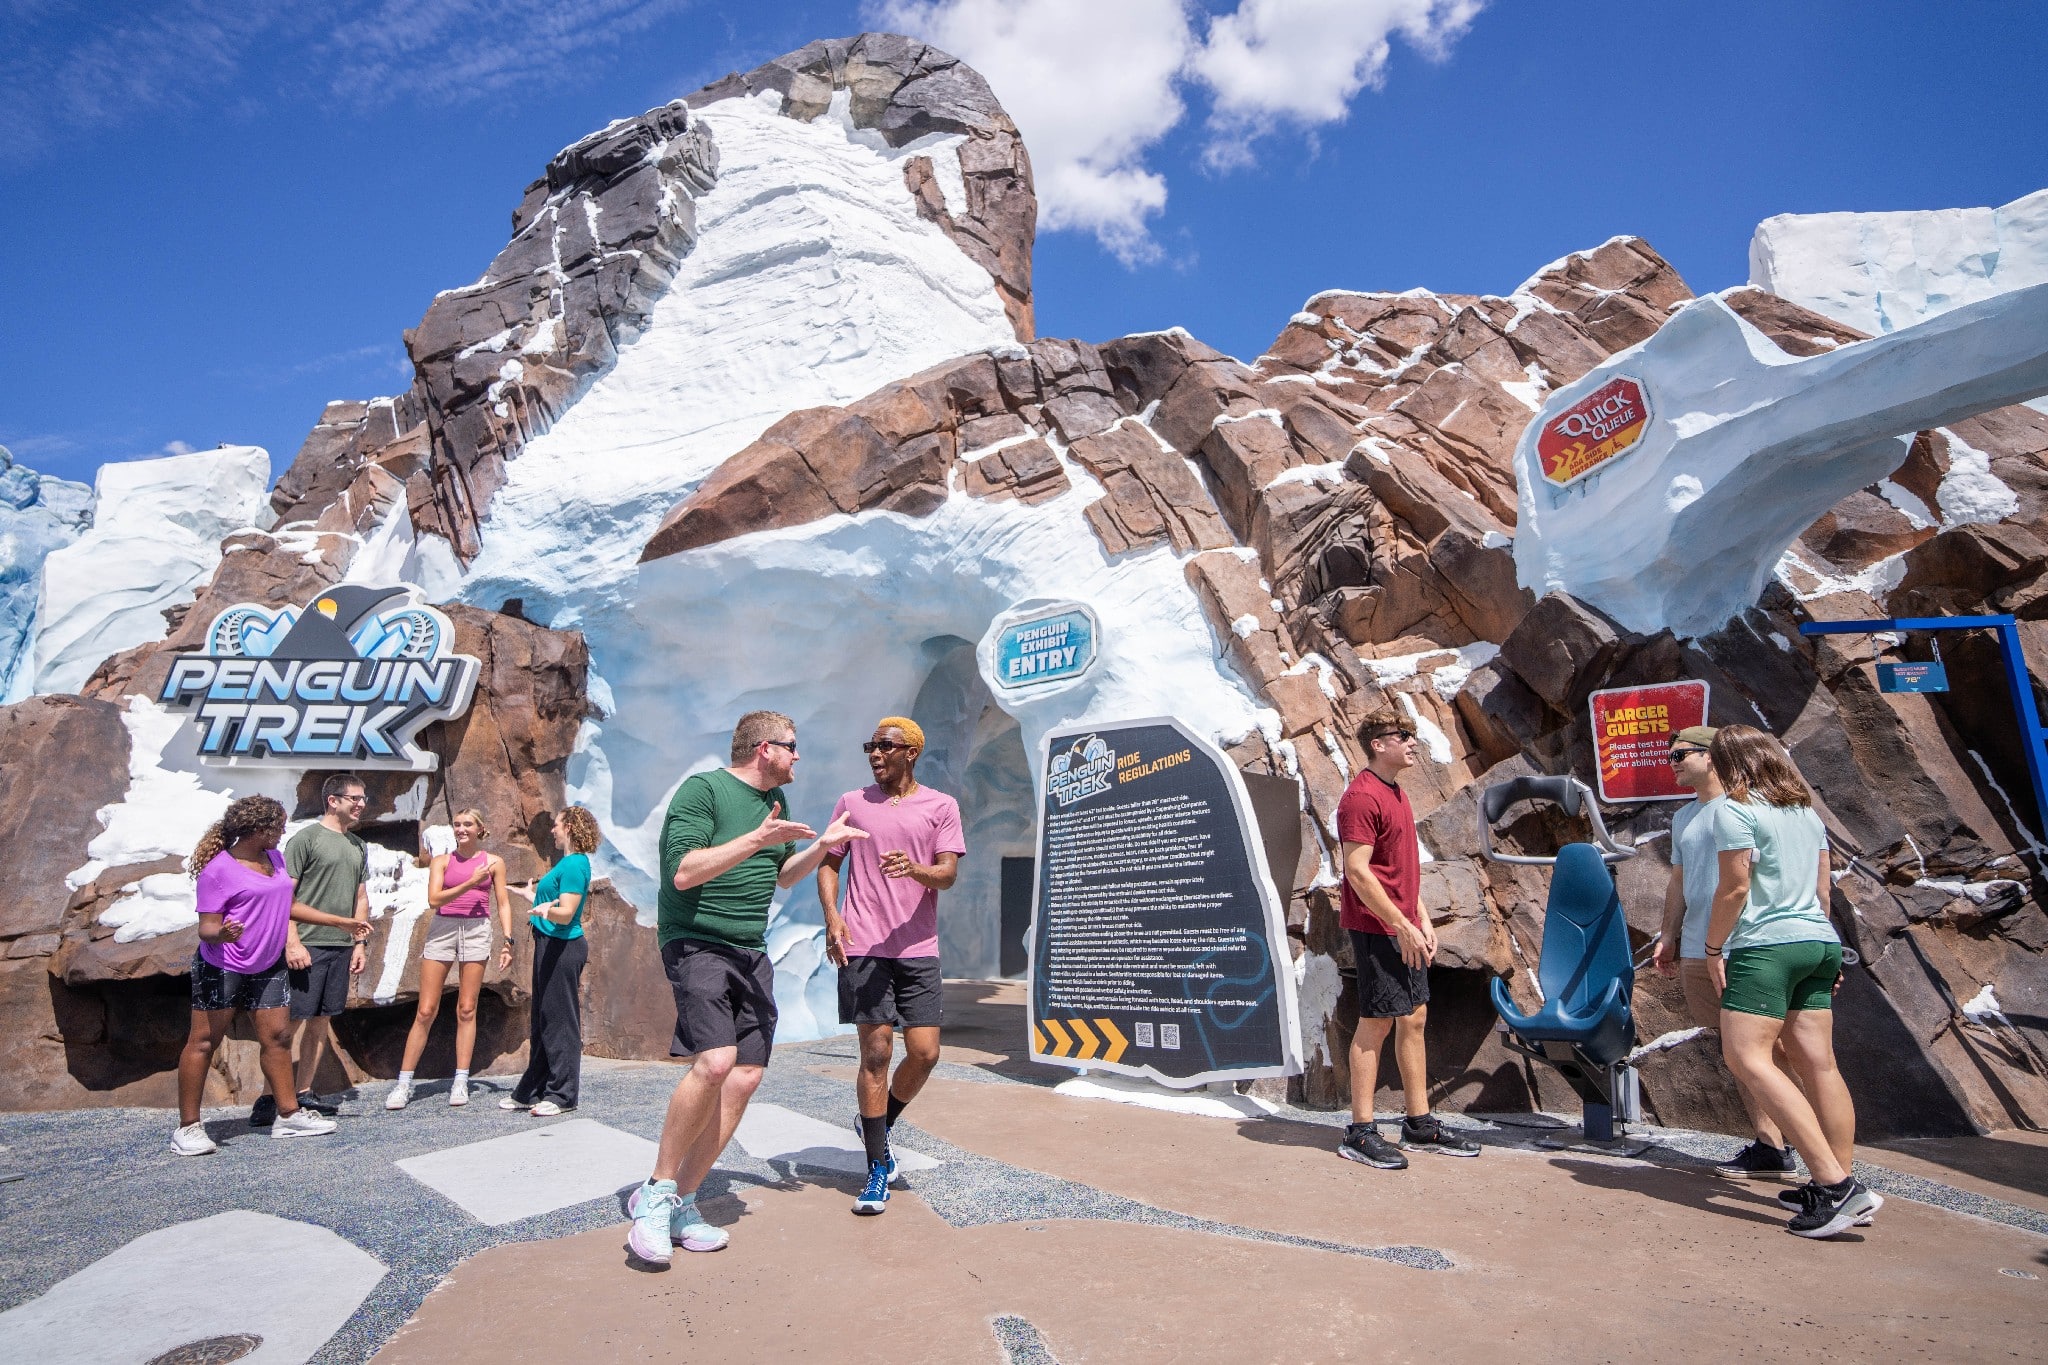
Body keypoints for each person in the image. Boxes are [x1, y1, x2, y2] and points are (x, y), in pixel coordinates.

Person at [626, 711, 867, 1266]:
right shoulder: (703, 790)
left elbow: (783, 875)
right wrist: (756, 838)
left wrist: (825, 846)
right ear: (764, 749)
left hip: (749, 950)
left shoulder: (772, 809)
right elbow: (684, 872)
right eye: (791, 747)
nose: (797, 756)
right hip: (697, 941)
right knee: (713, 1061)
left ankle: (685, 1200)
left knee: (745, 1076)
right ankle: (656, 1197)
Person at [1705, 724, 1881, 1239]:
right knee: (1818, 1062)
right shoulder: (1804, 814)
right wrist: (1826, 948)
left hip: (1766, 946)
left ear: (1727, 763)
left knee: (1747, 1058)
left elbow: (1735, 888)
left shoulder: (1734, 811)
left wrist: (1715, 947)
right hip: (1816, 941)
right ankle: (1840, 1180)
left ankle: (1833, 1186)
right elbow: (1822, 888)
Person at [818, 717, 966, 1216]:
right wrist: (832, 917)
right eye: (871, 746)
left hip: (918, 949)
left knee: (924, 1054)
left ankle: (876, 1122)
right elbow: (828, 862)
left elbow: (946, 874)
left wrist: (915, 869)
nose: (876, 754)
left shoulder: (940, 806)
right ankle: (877, 1163)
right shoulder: (852, 803)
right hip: (863, 945)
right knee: (876, 1055)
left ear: (912, 752)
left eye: (886, 746)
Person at [1650, 725, 1800, 1177]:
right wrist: (1668, 935)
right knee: (1736, 1051)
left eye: (1679, 755)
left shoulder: (1747, 809)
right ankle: (1769, 1145)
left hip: (1746, 945)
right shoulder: (1682, 818)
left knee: (1778, 1049)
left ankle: (1818, 1156)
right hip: (1699, 947)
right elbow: (1679, 880)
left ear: (1711, 756)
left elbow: (1751, 881)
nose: (1671, 763)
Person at [1334, 708, 1478, 1168]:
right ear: (1379, 744)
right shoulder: (1360, 797)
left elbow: (1400, 868)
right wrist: (1399, 925)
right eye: (1403, 735)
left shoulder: (1396, 793)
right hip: (1378, 930)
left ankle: (1418, 1124)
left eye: (1412, 735)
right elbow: (1357, 871)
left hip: (1402, 926)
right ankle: (1359, 1132)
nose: (1413, 742)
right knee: (1375, 1022)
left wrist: (1422, 919)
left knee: (1413, 1017)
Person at [174, 796, 339, 1152]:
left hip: (267, 965)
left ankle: (288, 1115)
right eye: (277, 827)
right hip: (222, 967)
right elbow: (207, 927)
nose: (282, 833)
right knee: (203, 1042)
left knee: (278, 1038)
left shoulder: (274, 858)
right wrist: (223, 934)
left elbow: (286, 904)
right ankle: (188, 1128)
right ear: (257, 830)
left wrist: (341, 922)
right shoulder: (219, 870)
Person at [386, 810, 514, 1111]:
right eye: (457, 824)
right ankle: (403, 1083)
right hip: (443, 927)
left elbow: (503, 903)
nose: (461, 829)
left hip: (477, 929)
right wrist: (471, 882)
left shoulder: (494, 862)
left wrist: (508, 941)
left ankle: (461, 1079)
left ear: (480, 828)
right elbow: (435, 900)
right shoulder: (442, 861)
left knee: (467, 1008)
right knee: (426, 1009)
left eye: (467, 824)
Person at [275, 773, 374, 1123]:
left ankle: (302, 1094)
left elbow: (360, 897)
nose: (361, 804)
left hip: (341, 946)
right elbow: (283, 897)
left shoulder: (357, 846)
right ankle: (272, 1099)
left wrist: (359, 942)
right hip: (307, 944)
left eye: (364, 798)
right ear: (333, 800)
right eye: (355, 798)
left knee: (321, 1023)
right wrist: (292, 941)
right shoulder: (306, 840)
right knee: (289, 1025)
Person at [503, 806, 602, 1116]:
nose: (553, 830)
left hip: (563, 947)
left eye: (557, 824)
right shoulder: (567, 863)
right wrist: (533, 898)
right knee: (544, 1019)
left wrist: (548, 911)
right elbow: (554, 903)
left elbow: (568, 911)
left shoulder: (574, 864)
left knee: (561, 1022)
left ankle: (562, 1094)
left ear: (570, 826)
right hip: (548, 944)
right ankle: (532, 1090)